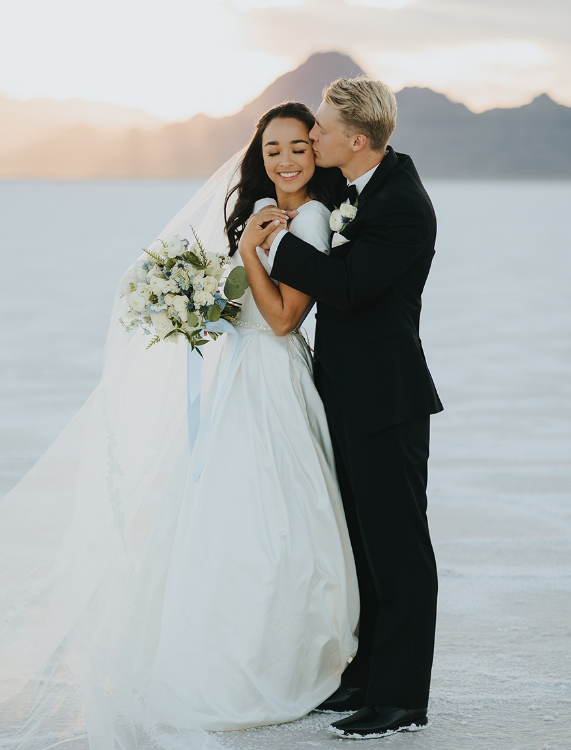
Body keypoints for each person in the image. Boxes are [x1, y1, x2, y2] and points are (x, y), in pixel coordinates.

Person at [0, 102, 358, 750]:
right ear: (259, 154)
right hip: (238, 378)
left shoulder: (309, 218)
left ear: (316, 152)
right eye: (272, 148)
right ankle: (216, 649)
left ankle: (283, 659)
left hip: (272, 379)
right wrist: (200, 303)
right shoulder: (260, 211)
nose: (284, 160)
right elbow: (242, 302)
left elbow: (282, 319)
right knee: (224, 519)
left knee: (277, 522)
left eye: (298, 148)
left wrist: (251, 250)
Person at [241, 77, 443, 739]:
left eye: (320, 131)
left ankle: (402, 699)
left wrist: (270, 244)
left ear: (354, 140)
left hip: (387, 399)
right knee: (361, 547)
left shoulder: (402, 205)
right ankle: (363, 677)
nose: (312, 138)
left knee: (398, 553)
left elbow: (349, 288)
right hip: (347, 392)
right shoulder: (361, 190)